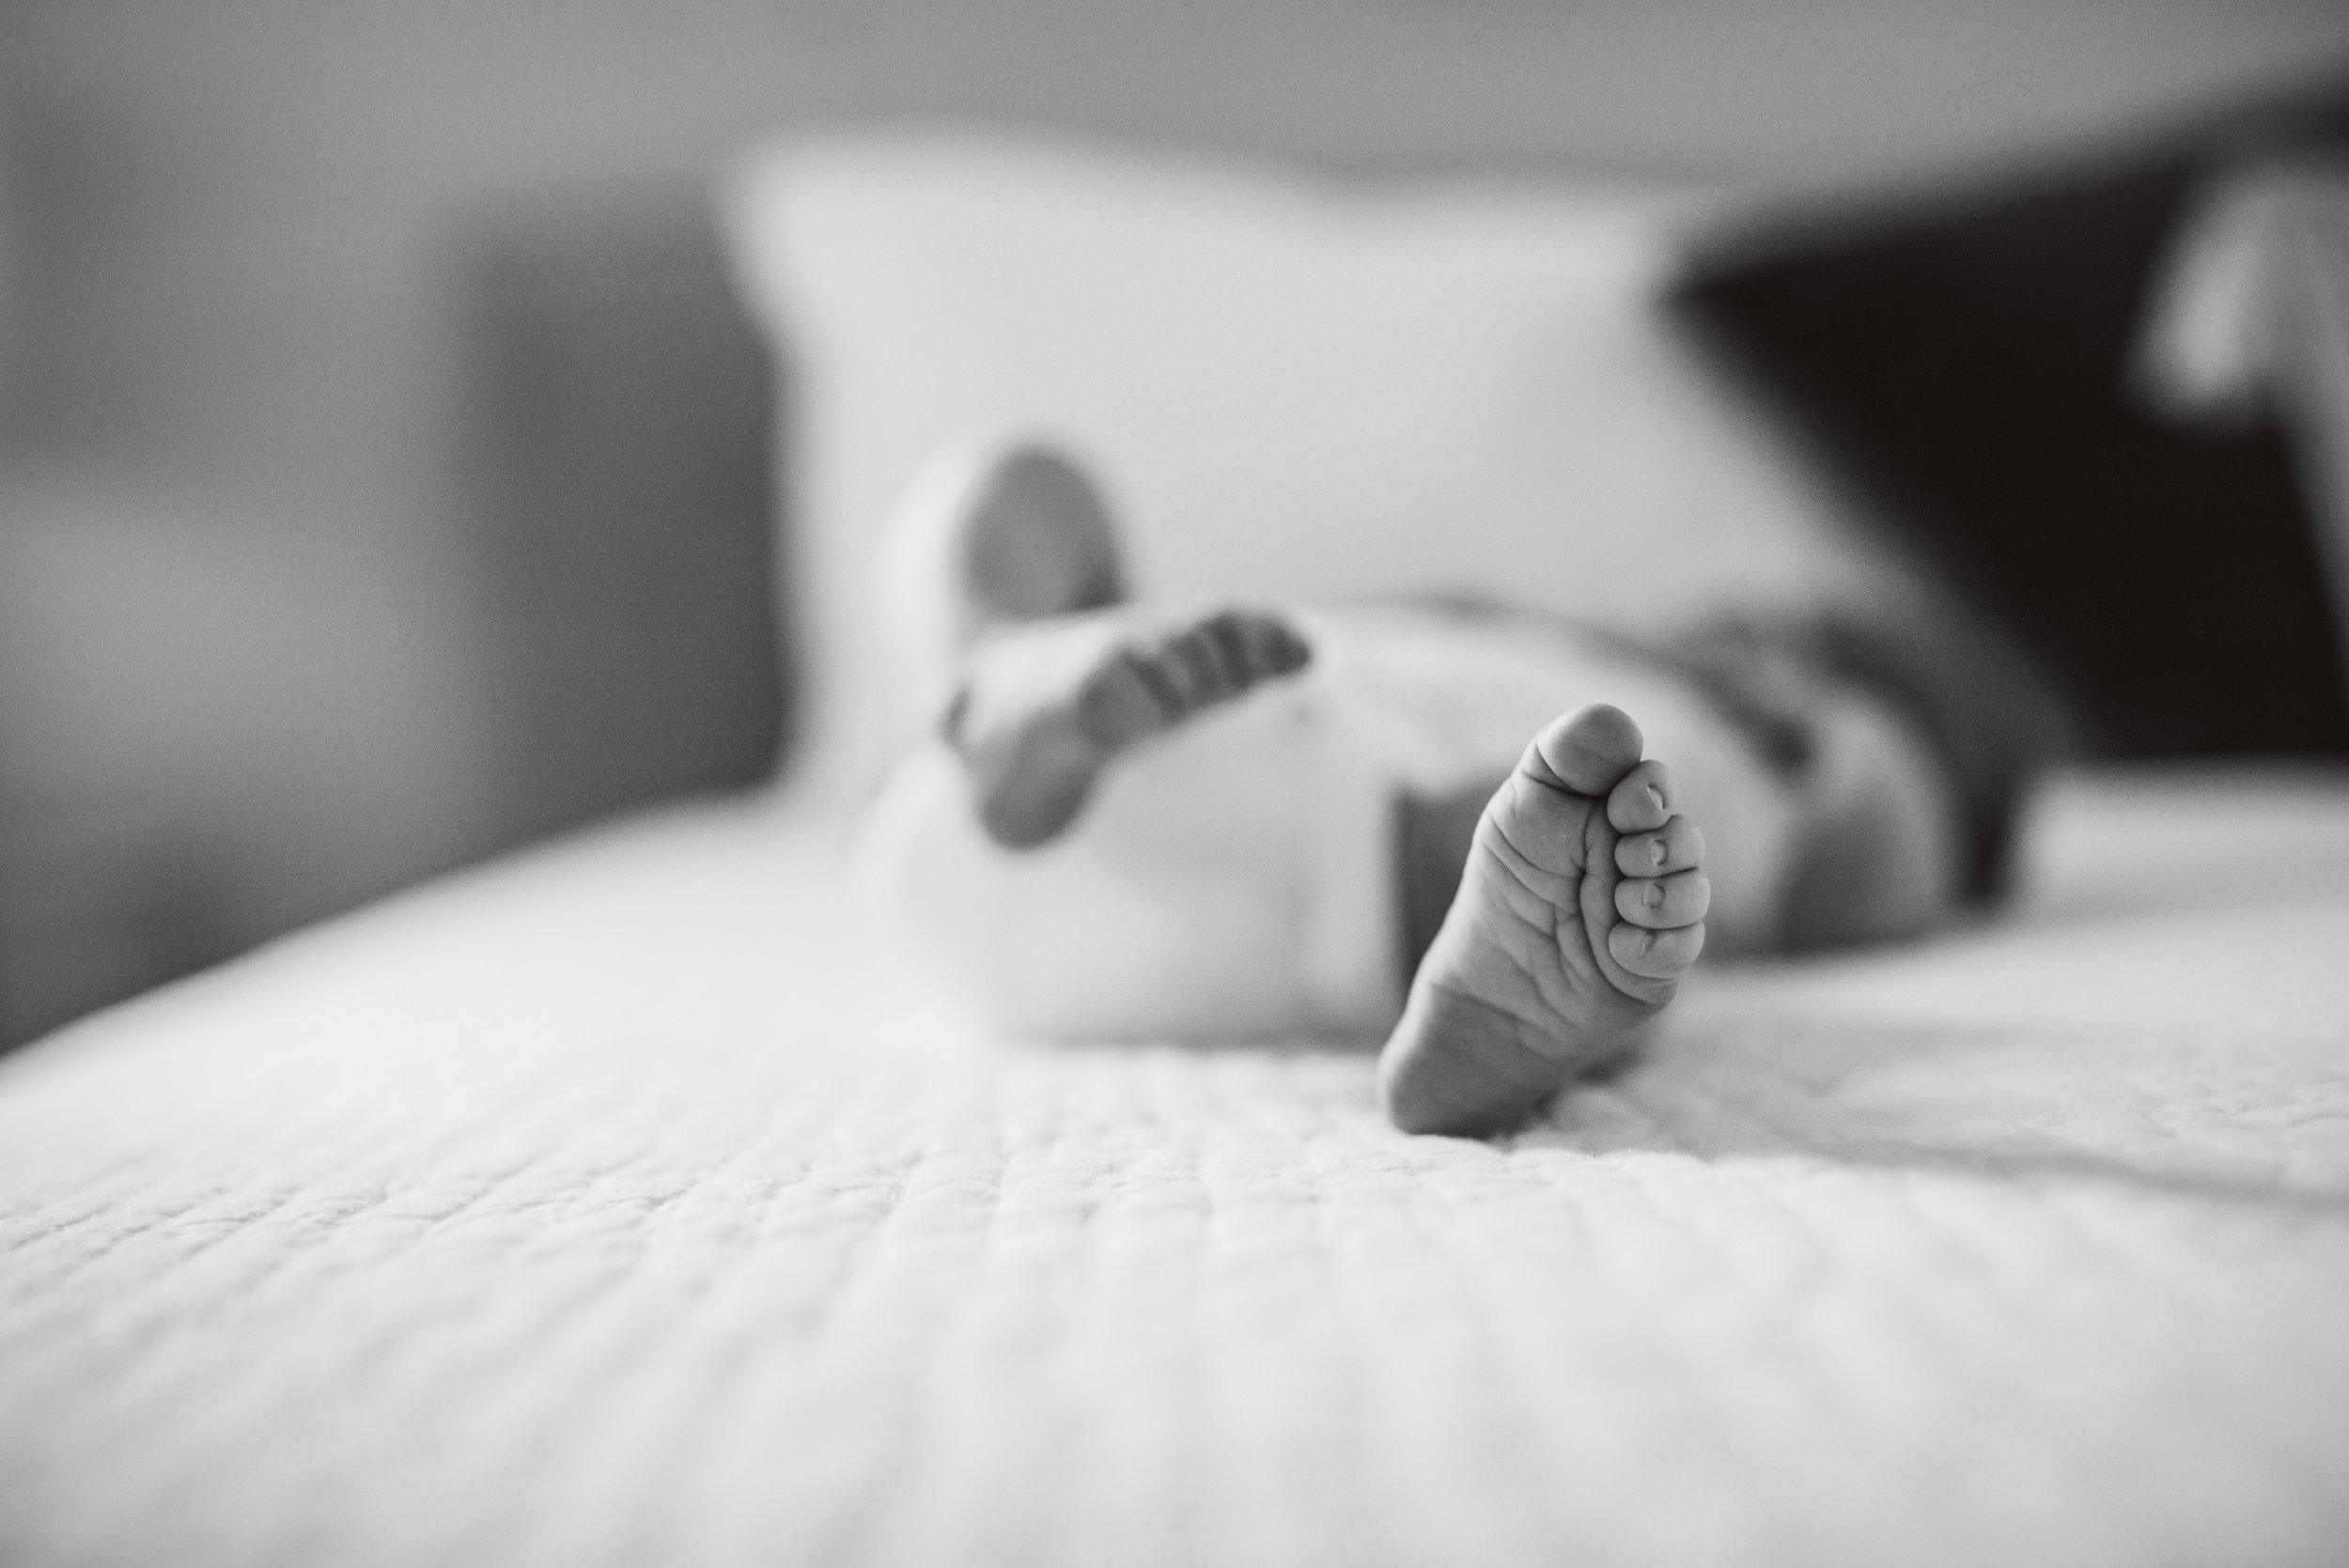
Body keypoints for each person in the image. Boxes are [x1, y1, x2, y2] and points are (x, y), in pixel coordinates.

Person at [859, 439, 2061, 1137]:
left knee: (1548, 823)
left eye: (1792, 637)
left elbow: (1880, 863)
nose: (1743, 627)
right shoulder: (1559, 649)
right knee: (1025, 488)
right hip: (1127, 784)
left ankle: (1001, 665)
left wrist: (1840, 734)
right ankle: (999, 669)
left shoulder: (1752, 752)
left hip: (1077, 870)